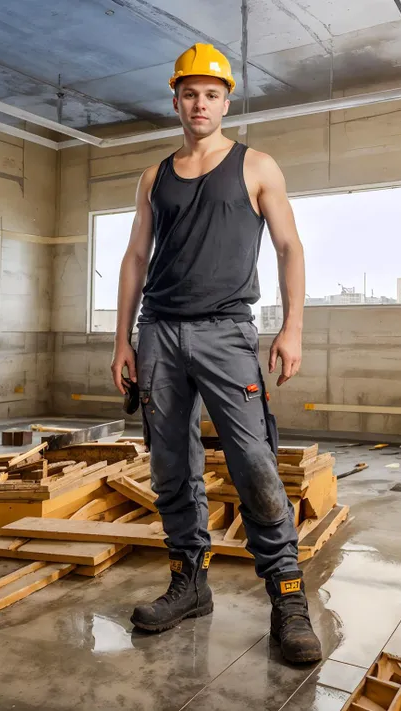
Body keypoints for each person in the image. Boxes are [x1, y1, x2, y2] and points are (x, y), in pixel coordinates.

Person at [111, 43, 322, 664]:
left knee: (254, 463)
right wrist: (123, 337)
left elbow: (289, 247)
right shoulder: (155, 175)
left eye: (211, 93)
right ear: (175, 99)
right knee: (170, 464)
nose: (199, 103)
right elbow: (134, 258)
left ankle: (287, 599)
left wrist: (293, 328)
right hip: (159, 334)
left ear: (226, 101)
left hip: (227, 332)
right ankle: (189, 584)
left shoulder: (257, 165)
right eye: (189, 93)